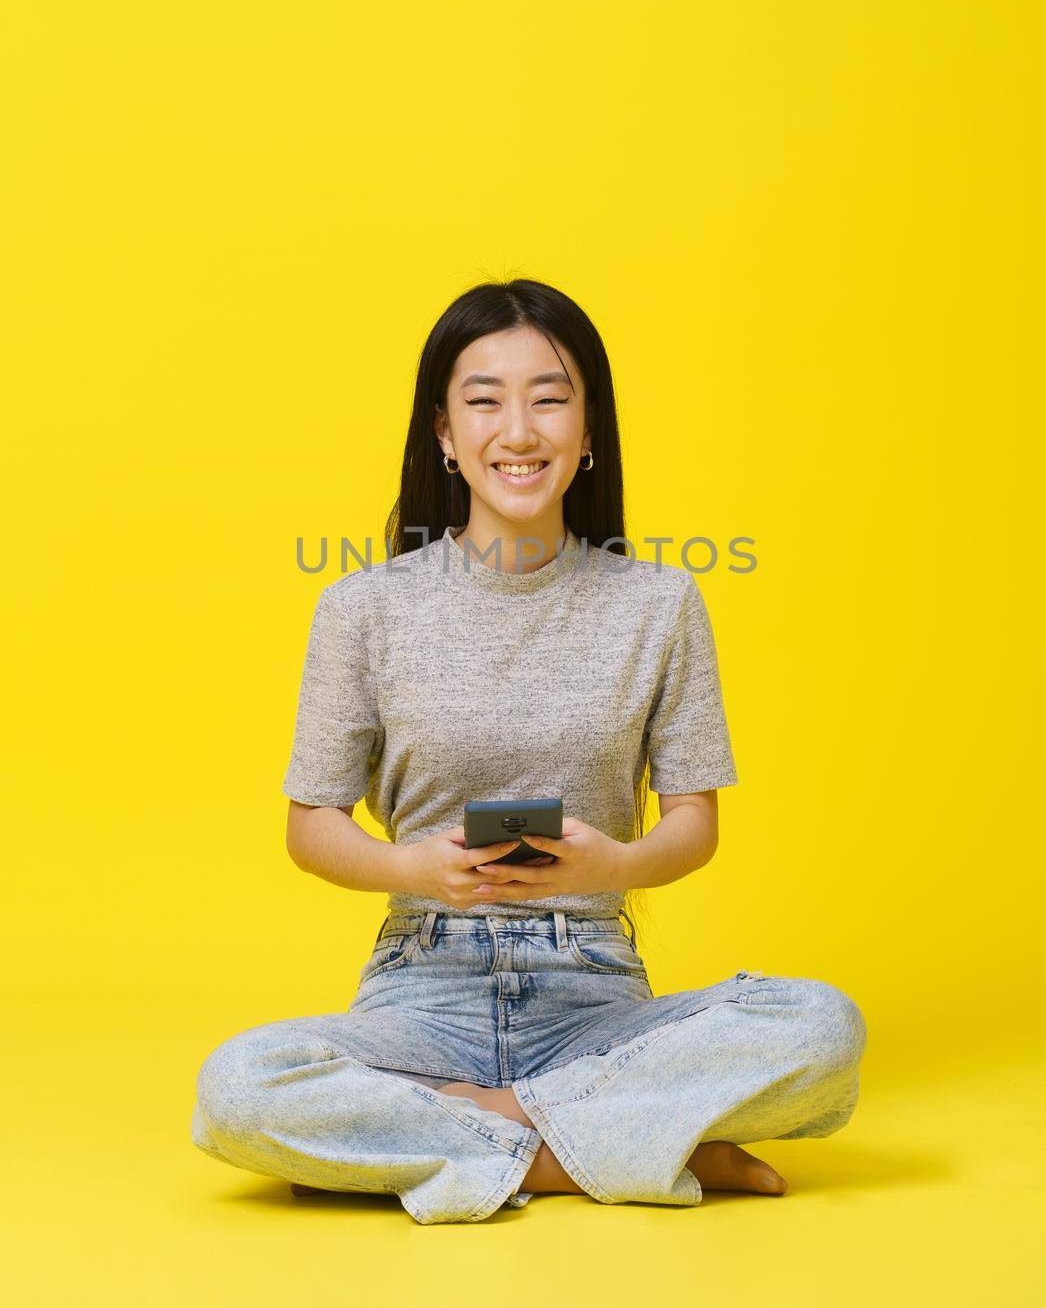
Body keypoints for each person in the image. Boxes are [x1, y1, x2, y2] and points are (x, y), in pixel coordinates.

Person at [191, 277, 867, 1224]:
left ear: (589, 434)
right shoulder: (363, 608)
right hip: (422, 990)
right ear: (443, 433)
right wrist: (412, 867)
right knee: (238, 1087)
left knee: (824, 1027)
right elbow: (310, 828)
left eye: (550, 398)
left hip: (595, 996)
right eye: (484, 400)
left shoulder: (661, 604)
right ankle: (619, 1144)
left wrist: (618, 862)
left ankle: (446, 1138)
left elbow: (696, 825)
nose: (519, 430)